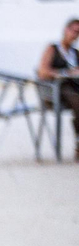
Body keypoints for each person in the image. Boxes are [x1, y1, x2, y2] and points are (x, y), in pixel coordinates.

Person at [36, 18, 79, 157]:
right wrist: (64, 73)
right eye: (74, 31)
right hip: (55, 91)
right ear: (66, 30)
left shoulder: (75, 53)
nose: (75, 35)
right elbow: (42, 71)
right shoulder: (53, 49)